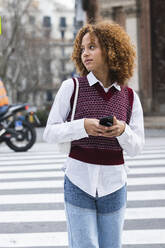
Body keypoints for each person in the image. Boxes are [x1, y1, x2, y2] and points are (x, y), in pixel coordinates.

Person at [43, 20, 144, 248]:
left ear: (110, 50)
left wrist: (122, 131)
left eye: (92, 47)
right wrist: (82, 126)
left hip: (115, 185)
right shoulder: (71, 88)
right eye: (82, 49)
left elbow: (137, 147)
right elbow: (49, 133)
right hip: (78, 182)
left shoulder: (129, 97)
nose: (85, 54)